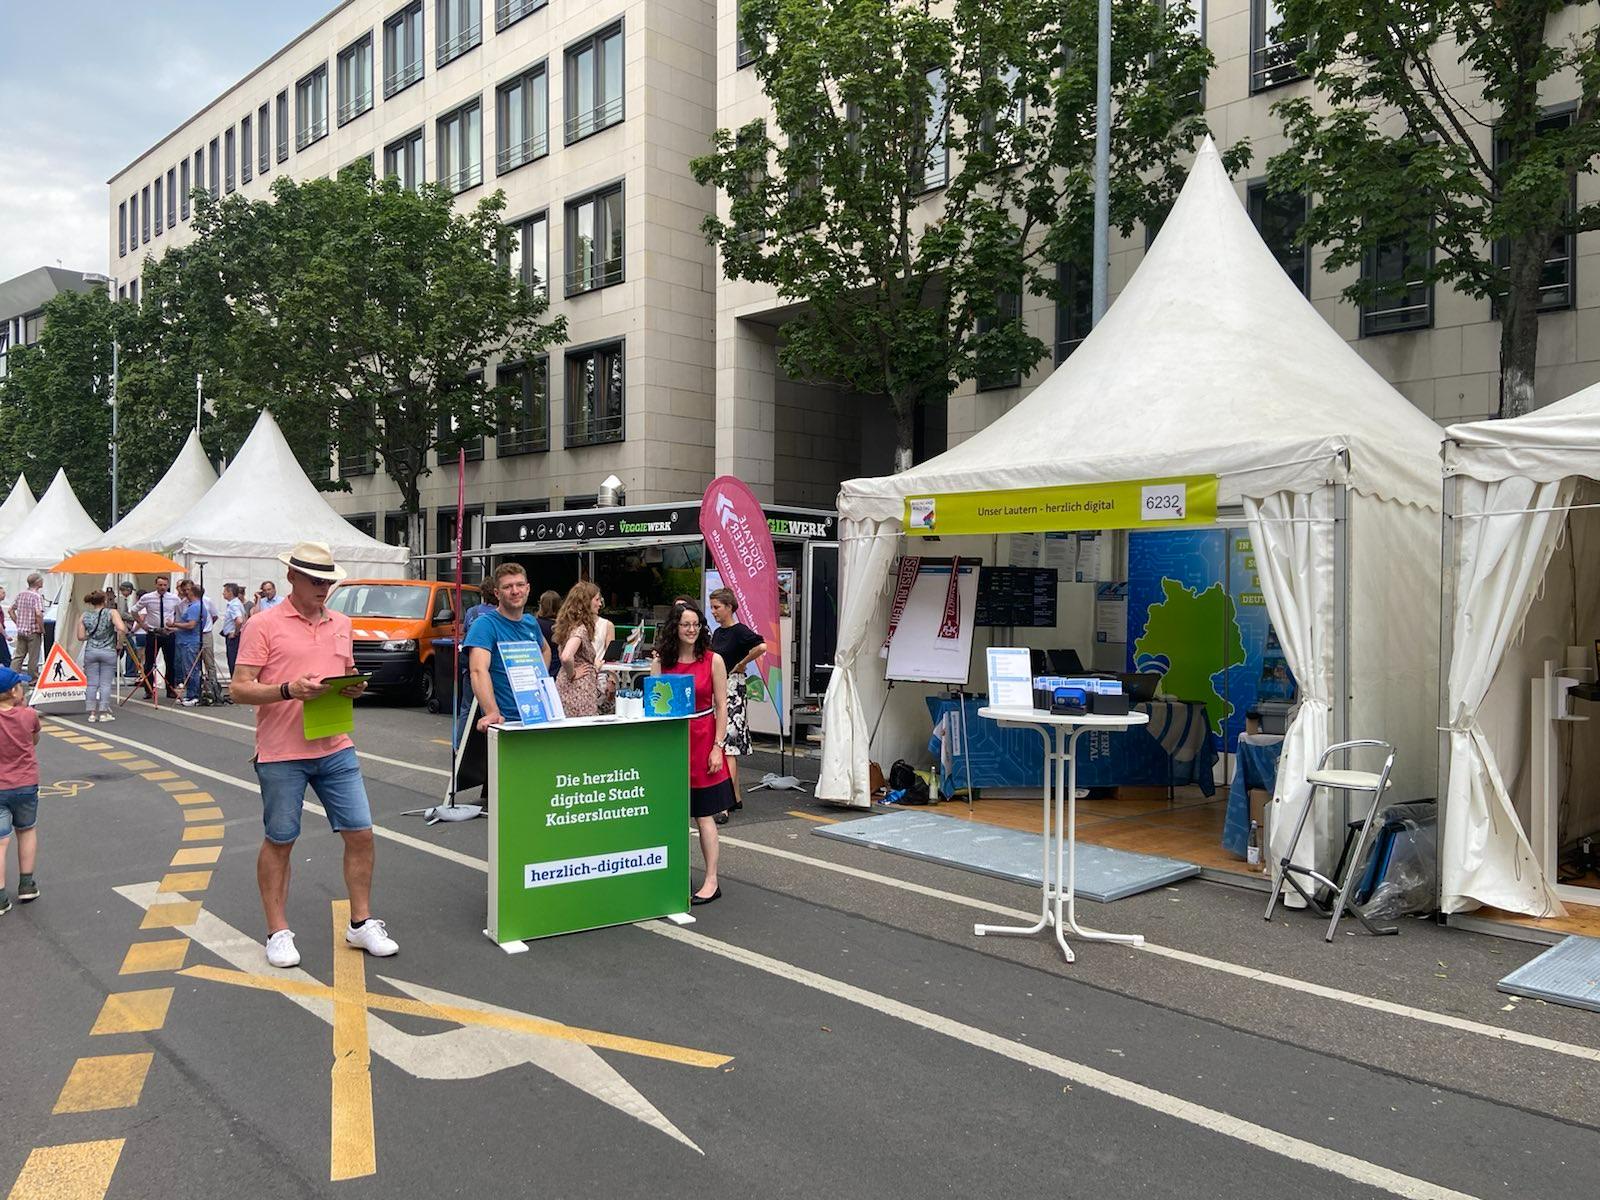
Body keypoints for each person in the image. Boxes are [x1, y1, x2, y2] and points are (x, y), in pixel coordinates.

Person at [230, 540, 396, 969]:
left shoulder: (341, 622)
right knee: (281, 840)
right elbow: (239, 687)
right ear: (291, 577)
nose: (324, 587)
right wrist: (288, 689)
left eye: (328, 580)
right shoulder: (263, 624)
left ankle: (360, 922)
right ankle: (277, 931)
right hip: (282, 750)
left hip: (334, 743)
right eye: (315, 580)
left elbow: (343, 674)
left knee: (361, 833)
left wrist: (354, 686)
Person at [653, 601, 731, 905]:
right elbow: (655, 704)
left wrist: (718, 747)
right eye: (685, 624)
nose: (691, 630)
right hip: (671, 744)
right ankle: (673, 875)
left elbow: (723, 706)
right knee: (670, 816)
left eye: (696, 624)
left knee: (704, 815)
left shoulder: (713, 660)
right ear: (675, 627)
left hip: (702, 741)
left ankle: (712, 879)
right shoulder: (663, 661)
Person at [467, 563, 551, 731]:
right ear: (497, 593)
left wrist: (540, 678)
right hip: (506, 723)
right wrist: (492, 712)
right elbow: (478, 671)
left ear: (527, 589)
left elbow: (545, 650)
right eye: (508, 587)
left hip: (537, 716)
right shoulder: (484, 625)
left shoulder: (530, 623)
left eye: (520, 585)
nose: (515, 591)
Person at [708, 587, 769, 821]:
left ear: (729, 607)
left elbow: (762, 646)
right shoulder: (718, 633)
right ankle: (734, 796)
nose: (713, 612)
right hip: (721, 687)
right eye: (712, 607)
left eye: (717, 607)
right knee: (725, 745)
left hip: (732, 688)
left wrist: (742, 663)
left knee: (726, 747)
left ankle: (724, 802)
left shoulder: (739, 630)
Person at [0, 665, 41, 915]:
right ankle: (27, 884)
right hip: (25, 784)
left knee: (1, 842)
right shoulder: (29, 715)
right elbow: (34, 740)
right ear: (15, 691)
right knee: (26, 831)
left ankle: (1, 897)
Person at [553, 582, 602, 718]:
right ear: (586, 602)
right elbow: (566, 656)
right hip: (579, 690)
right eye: (597, 599)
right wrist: (573, 674)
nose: (599, 604)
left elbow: (562, 653)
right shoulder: (581, 629)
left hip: (564, 686)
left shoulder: (568, 626)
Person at [78, 590, 127, 723]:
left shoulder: (85, 615)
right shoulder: (111, 613)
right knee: (105, 683)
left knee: (92, 684)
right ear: (105, 600)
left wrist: (92, 637)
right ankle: (104, 712)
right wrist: (119, 643)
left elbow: (80, 637)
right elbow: (121, 628)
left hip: (91, 651)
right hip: (108, 650)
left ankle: (92, 713)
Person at [134, 575, 181, 698]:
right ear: (156, 585)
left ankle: (170, 689)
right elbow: (134, 610)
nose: (162, 587)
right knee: (149, 662)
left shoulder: (174, 598)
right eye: (160, 585)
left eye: (165, 585)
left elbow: (181, 613)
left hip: (168, 632)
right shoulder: (147, 597)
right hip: (153, 632)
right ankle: (149, 689)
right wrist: (142, 624)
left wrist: (175, 626)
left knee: (170, 662)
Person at [8, 574, 45, 679]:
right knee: (33, 657)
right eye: (41, 580)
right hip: (33, 630)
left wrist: (18, 623)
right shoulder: (37, 596)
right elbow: (38, 614)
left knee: (19, 656)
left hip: (21, 631)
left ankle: (12, 677)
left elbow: (10, 610)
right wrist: (41, 628)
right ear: (37, 582)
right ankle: (33, 678)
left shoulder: (21, 594)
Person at [173, 581, 203, 706]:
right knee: (187, 669)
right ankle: (190, 694)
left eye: (188, 590)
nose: (186, 592)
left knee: (192, 669)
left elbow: (191, 625)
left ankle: (194, 696)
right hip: (185, 640)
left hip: (190, 641)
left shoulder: (196, 606)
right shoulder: (191, 605)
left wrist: (174, 624)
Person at [221, 583, 247, 676]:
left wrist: (235, 633)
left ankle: (235, 684)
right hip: (235, 636)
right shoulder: (236, 603)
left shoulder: (234, 605)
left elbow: (239, 620)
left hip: (234, 638)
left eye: (225, 591)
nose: (223, 593)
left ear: (230, 592)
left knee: (233, 662)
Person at [116, 582, 139, 678]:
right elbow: (121, 613)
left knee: (119, 651)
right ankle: (130, 672)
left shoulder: (118, 598)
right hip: (121, 629)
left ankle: (114, 670)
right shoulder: (121, 599)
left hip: (120, 628)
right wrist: (133, 617)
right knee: (131, 650)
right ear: (127, 590)